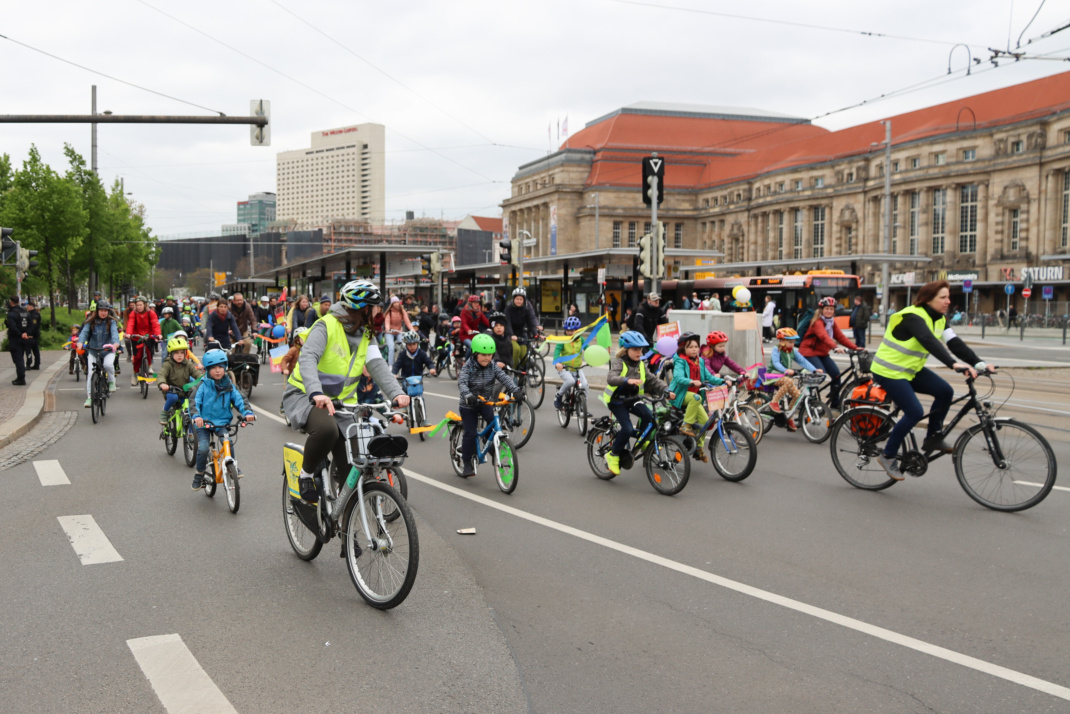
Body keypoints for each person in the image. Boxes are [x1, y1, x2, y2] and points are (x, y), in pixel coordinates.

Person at [282, 280, 408, 502]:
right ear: (360, 308)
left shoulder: (365, 333)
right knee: (327, 430)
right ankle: (306, 474)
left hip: (342, 402)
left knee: (354, 467)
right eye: (374, 307)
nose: (377, 313)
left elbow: (377, 365)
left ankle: (345, 526)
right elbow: (309, 357)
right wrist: (315, 392)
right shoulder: (326, 325)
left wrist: (396, 393)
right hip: (306, 395)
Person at [871, 280, 990, 480]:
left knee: (945, 391)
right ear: (928, 300)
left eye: (948, 297)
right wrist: (953, 364)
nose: (948, 301)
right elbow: (928, 340)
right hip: (888, 371)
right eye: (943, 297)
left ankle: (933, 437)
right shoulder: (913, 316)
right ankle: (887, 455)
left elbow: (955, 343)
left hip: (910, 371)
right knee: (915, 411)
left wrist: (979, 363)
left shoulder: (940, 319)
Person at [602, 332, 673, 475]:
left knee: (649, 415)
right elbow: (611, 378)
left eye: (640, 349)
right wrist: (626, 380)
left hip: (632, 399)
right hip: (617, 401)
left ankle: (644, 440)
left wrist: (665, 389)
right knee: (627, 429)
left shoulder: (641, 364)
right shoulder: (620, 363)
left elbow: (652, 379)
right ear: (626, 349)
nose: (639, 352)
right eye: (635, 349)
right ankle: (613, 455)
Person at [456, 333, 522, 477]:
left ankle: (492, 448)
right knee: (471, 433)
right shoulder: (468, 367)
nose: (487, 358)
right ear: (475, 353)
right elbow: (462, 383)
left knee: (492, 426)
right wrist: (468, 396)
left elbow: (504, 378)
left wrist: (516, 390)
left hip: (485, 402)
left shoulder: (492, 366)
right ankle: (466, 461)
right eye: (483, 354)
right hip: (469, 404)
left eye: (490, 355)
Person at [190, 348, 255, 491]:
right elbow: (194, 402)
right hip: (204, 423)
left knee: (228, 442)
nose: (218, 370)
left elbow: (240, 400)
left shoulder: (229, 385)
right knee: (203, 448)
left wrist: (247, 412)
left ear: (225, 367)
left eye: (220, 366)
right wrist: (197, 417)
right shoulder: (202, 385)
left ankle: (233, 468)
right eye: (213, 368)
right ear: (207, 369)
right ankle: (199, 474)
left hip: (221, 422)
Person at [668, 332, 722, 463]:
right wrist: (691, 382)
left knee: (706, 423)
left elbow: (709, 377)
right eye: (690, 347)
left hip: (694, 397)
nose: (694, 349)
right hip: (679, 395)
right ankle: (686, 425)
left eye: (696, 346)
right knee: (696, 398)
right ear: (683, 348)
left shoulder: (700, 361)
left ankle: (698, 449)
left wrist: (724, 381)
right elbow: (678, 377)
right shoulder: (680, 360)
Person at [799, 297, 859, 410]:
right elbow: (823, 336)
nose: (829, 311)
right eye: (827, 308)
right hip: (809, 352)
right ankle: (805, 400)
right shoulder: (817, 322)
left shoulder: (831, 322)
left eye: (831, 309)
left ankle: (835, 404)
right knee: (821, 374)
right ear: (821, 309)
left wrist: (856, 348)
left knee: (836, 375)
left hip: (822, 353)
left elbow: (841, 337)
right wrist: (835, 347)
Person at [767, 327, 821, 431]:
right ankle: (774, 402)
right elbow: (776, 363)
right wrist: (786, 370)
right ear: (782, 341)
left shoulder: (792, 351)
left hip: (785, 377)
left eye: (793, 342)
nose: (792, 344)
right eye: (790, 342)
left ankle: (789, 417)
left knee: (798, 396)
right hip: (772, 375)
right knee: (789, 381)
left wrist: (814, 370)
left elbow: (803, 361)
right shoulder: (776, 349)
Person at [77, 300, 120, 406]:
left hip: (108, 350)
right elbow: (84, 333)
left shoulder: (112, 322)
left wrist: (115, 343)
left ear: (108, 311)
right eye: (101, 310)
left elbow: (115, 334)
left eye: (105, 311)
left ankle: (111, 381)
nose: (103, 313)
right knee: (91, 373)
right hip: (93, 350)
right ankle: (89, 398)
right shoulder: (90, 321)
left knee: (108, 365)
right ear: (97, 311)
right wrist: (80, 342)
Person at [157, 334, 203, 424]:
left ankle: (190, 433)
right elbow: (161, 375)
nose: (180, 355)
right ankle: (164, 412)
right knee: (173, 397)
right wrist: (163, 384)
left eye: (182, 353)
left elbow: (196, 374)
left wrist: (204, 379)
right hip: (171, 391)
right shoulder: (168, 364)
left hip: (184, 392)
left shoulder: (187, 364)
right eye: (177, 353)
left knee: (189, 411)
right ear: (171, 354)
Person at [552, 315, 588, 411]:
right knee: (571, 381)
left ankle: (583, 409)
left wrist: (593, 358)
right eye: (568, 330)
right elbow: (556, 352)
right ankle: (559, 395)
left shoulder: (581, 340)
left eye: (572, 331)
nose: (569, 333)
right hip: (564, 368)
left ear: (578, 331)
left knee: (585, 385)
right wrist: (557, 363)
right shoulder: (563, 340)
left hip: (577, 368)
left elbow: (588, 349)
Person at [125, 296, 162, 387]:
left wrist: (158, 334)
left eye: (140, 305)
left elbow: (155, 324)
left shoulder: (151, 313)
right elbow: (130, 323)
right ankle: (134, 373)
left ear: (145, 305)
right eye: (137, 305)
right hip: (136, 337)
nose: (139, 307)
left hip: (148, 336)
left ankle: (149, 366)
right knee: (137, 357)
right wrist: (129, 333)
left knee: (149, 351)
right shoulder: (133, 313)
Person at [504, 287, 541, 364]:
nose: (519, 301)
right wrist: (511, 335)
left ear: (524, 300)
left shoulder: (526, 308)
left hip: (521, 334)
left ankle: (523, 373)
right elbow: (507, 323)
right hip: (511, 335)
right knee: (516, 350)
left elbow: (531, 320)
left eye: (521, 299)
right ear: (513, 299)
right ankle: (513, 371)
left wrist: (536, 334)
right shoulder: (509, 308)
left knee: (524, 354)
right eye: (517, 299)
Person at [383, 295, 414, 365]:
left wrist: (412, 329)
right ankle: (390, 364)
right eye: (394, 303)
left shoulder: (402, 311)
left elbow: (407, 321)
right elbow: (387, 322)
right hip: (390, 332)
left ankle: (400, 361)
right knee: (391, 347)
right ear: (392, 304)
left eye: (397, 302)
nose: (396, 304)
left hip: (399, 331)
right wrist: (387, 329)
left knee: (402, 345)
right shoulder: (389, 313)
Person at [5, 296, 28, 385]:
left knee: (18, 359)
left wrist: (20, 334)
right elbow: (30, 324)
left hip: (15, 338)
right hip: (24, 338)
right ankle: (20, 377)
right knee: (21, 357)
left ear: (11, 302)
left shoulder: (12, 314)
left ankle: (21, 378)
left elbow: (12, 327)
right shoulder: (24, 312)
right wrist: (26, 333)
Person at [23, 300, 41, 370]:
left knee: (29, 350)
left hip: (31, 336)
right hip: (35, 336)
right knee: (36, 351)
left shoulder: (33, 315)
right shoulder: (35, 314)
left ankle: (29, 364)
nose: (27, 307)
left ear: (31, 307)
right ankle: (37, 364)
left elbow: (33, 326)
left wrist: (28, 334)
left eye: (28, 306)